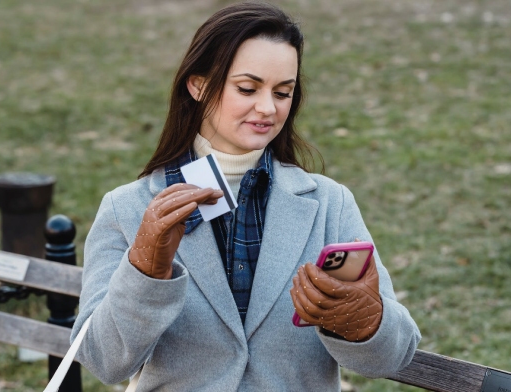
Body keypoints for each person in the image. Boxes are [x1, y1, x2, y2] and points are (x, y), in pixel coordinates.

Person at [71, 2, 420, 391]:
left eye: (283, 92)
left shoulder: (329, 204)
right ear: (198, 84)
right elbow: (102, 361)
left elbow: (394, 356)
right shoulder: (128, 208)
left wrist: (364, 321)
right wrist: (145, 273)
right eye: (248, 88)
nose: (268, 108)